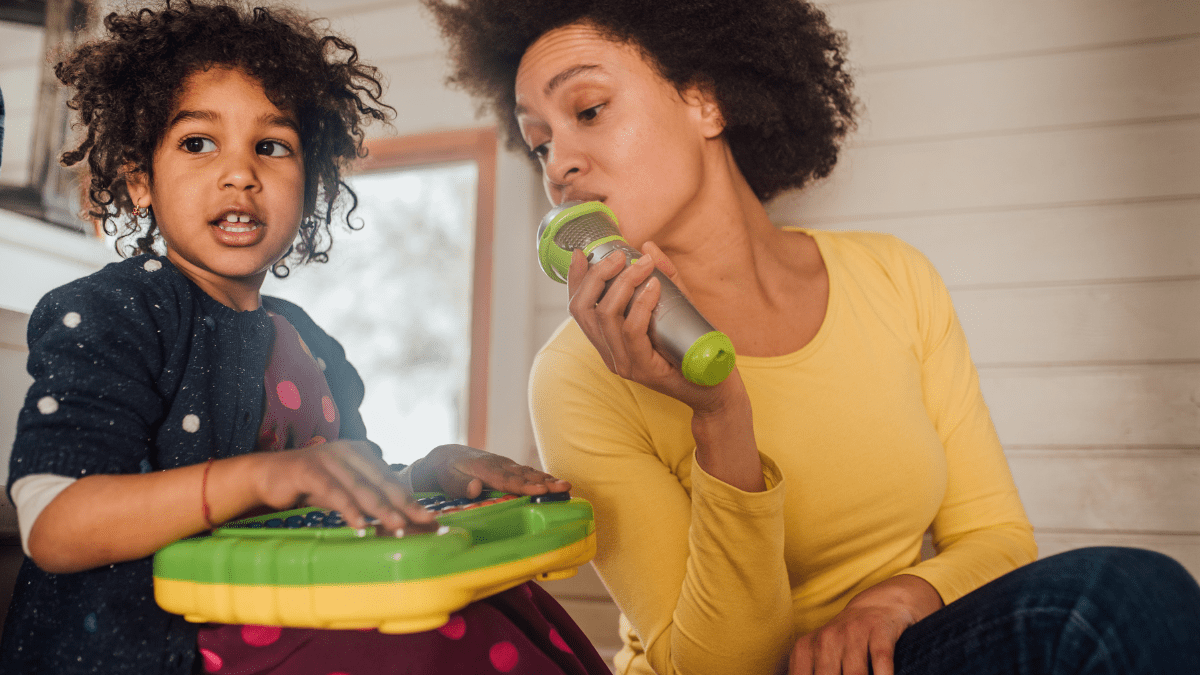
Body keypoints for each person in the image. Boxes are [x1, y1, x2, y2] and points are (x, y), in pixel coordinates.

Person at [421, 1, 1200, 674]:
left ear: (706, 102)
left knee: (1131, 597)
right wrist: (721, 415)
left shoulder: (894, 278)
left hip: (896, 649)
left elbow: (996, 533)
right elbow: (722, 666)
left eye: (587, 111)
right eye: (540, 142)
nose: (562, 165)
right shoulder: (577, 375)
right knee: (1111, 602)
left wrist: (897, 599)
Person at [1, 2, 611, 674]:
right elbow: (53, 523)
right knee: (435, 642)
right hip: (154, 647)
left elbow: (329, 489)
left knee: (502, 602)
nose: (241, 172)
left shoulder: (312, 343)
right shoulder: (112, 312)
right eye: (198, 142)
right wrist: (264, 476)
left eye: (272, 146)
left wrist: (421, 476)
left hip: (295, 611)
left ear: (311, 183)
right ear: (141, 180)